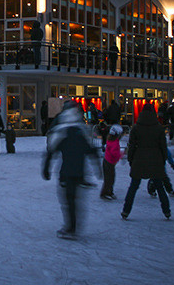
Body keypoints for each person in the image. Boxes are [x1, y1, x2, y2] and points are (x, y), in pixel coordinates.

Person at [42, 101, 102, 239]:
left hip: (66, 172)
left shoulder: (62, 131)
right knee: (76, 200)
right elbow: (91, 151)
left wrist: (47, 168)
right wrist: (98, 168)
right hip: (80, 172)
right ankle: (74, 227)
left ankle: (71, 228)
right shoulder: (81, 131)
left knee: (68, 200)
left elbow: (51, 150)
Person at [121, 105, 171, 220]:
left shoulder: (136, 128)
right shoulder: (158, 128)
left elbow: (132, 146)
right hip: (156, 159)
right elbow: (163, 146)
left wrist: (131, 159)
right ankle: (166, 210)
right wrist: (163, 159)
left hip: (139, 159)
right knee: (160, 187)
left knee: (133, 187)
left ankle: (126, 210)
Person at [100, 125, 123, 200]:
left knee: (110, 178)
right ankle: (105, 193)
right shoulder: (114, 142)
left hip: (108, 162)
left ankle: (109, 191)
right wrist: (121, 155)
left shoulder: (111, 140)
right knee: (109, 179)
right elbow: (114, 153)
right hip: (109, 163)